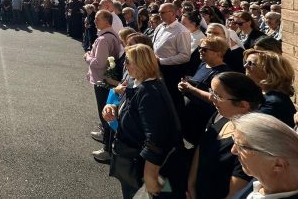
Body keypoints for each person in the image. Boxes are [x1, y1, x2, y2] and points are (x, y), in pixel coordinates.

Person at [103, 44, 186, 199]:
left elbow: (156, 137)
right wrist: (113, 107)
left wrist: (150, 174)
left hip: (139, 164)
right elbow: (133, 109)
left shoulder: (149, 92)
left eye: (127, 61)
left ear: (141, 64)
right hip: (132, 159)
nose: (124, 65)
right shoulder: (142, 83)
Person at [186, 72, 263, 199]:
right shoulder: (222, 116)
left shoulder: (250, 142)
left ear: (243, 105)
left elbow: (235, 194)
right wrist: (191, 185)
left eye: (218, 96)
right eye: (212, 92)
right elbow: (202, 145)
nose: (211, 98)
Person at [84, 10, 123, 162]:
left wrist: (87, 56)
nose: (94, 21)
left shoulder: (103, 39)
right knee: (107, 112)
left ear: (107, 21)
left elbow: (99, 63)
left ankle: (107, 147)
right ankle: (106, 139)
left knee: (105, 113)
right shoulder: (111, 35)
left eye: (97, 19)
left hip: (102, 80)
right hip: (107, 79)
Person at [230, 113, 298, 198]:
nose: (233, 150)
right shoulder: (264, 179)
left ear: (278, 165)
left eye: (242, 146)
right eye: (234, 139)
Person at [178, 36, 230, 146]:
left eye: (204, 49)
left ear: (218, 53)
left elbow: (215, 98)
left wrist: (191, 89)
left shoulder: (222, 73)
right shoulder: (203, 64)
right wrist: (184, 86)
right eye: (199, 48)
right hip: (188, 117)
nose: (200, 51)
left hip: (200, 121)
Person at [153, 2, 192, 116]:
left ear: (172, 13)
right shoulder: (160, 26)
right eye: (159, 12)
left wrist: (161, 61)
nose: (160, 15)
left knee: (172, 101)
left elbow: (185, 56)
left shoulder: (181, 31)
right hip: (158, 69)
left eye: (162, 12)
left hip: (172, 73)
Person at [243, 48, 297, 127]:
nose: (245, 66)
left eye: (250, 63)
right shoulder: (267, 95)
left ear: (269, 71)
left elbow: (249, 128)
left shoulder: (273, 104)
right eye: (245, 62)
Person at [181, 11, 206, 75]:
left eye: (184, 23)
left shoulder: (199, 37)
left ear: (193, 23)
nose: (181, 25)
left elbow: (185, 55)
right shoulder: (189, 33)